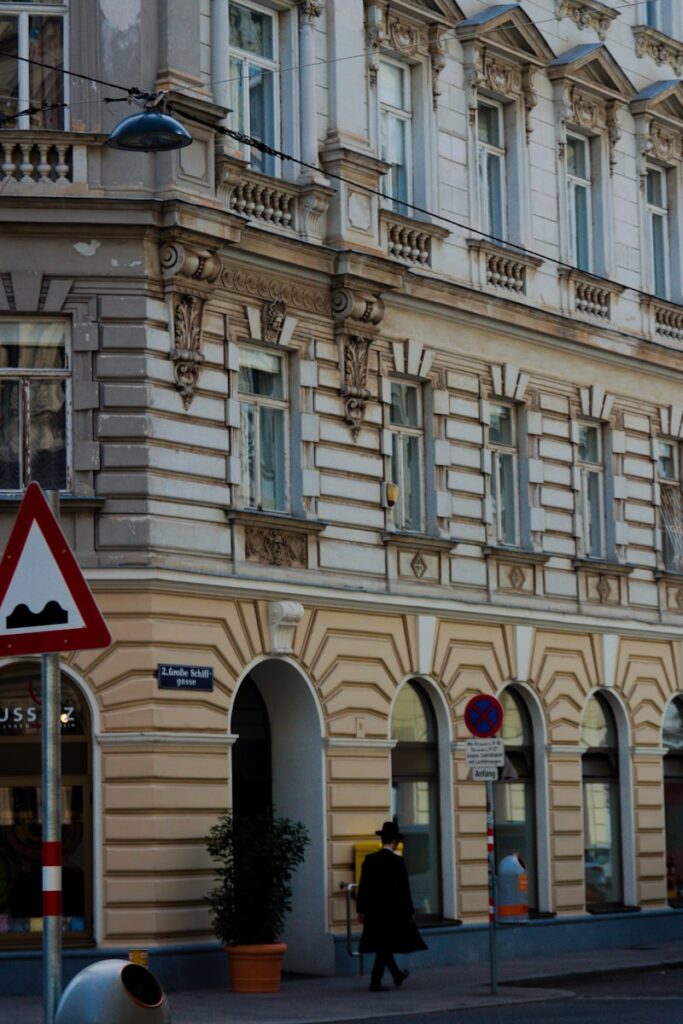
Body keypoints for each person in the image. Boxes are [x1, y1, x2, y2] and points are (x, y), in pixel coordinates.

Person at [356, 820, 427, 992]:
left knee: (383, 945)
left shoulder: (370, 860)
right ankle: (376, 981)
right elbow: (404, 889)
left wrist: (361, 910)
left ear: (382, 840)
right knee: (385, 945)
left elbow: (363, 886)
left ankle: (395, 975)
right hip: (392, 912)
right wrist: (410, 911)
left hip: (374, 911)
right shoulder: (397, 862)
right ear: (394, 841)